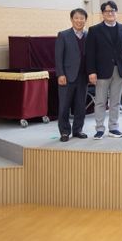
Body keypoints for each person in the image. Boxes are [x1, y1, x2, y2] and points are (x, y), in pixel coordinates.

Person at [85, 0, 122, 139]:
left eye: (112, 11)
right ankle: (99, 129)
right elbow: (90, 53)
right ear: (102, 14)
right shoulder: (94, 30)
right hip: (101, 71)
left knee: (115, 101)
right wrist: (91, 71)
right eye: (106, 11)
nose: (110, 13)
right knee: (100, 101)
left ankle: (113, 128)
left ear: (116, 12)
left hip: (120, 70)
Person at [54, 8, 89, 142]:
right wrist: (60, 74)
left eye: (82, 18)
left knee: (80, 105)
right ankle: (64, 131)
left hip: (83, 76)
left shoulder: (88, 35)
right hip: (67, 76)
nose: (79, 21)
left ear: (85, 20)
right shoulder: (63, 35)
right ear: (71, 19)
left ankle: (78, 130)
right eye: (76, 18)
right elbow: (58, 57)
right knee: (64, 105)